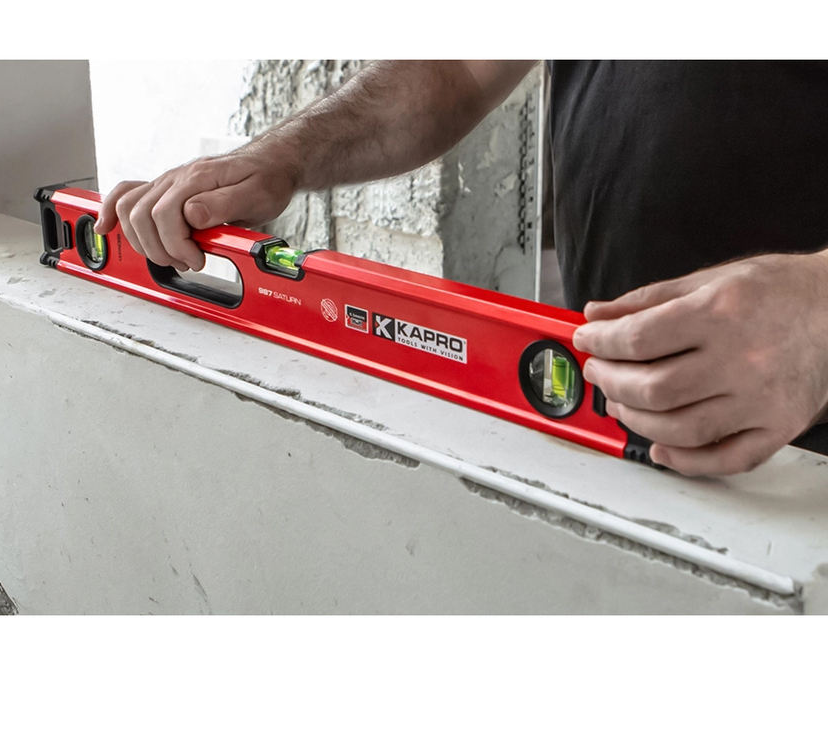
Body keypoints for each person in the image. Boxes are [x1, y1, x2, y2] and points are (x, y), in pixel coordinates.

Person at [94, 60, 828, 478]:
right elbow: (457, 68)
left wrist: (819, 318)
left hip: (803, 435)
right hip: (614, 410)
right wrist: (282, 154)